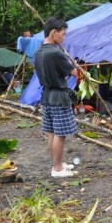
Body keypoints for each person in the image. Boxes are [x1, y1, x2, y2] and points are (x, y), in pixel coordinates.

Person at [34, 17, 79, 178]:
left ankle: (56, 163)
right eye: (63, 34)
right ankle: (57, 169)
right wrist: (74, 65)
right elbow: (74, 72)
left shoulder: (39, 51)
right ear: (54, 33)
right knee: (60, 134)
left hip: (46, 95)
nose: (64, 38)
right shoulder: (55, 52)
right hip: (59, 97)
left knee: (52, 132)